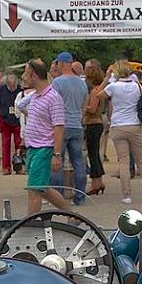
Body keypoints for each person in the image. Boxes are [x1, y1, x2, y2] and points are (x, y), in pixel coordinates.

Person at [17, 59, 71, 215]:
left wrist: (56, 154)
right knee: (43, 188)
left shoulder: (53, 97)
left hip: (44, 148)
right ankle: (72, 214)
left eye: (25, 74)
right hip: (33, 148)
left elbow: (59, 127)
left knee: (34, 190)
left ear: (34, 76)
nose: (23, 77)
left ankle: (29, 222)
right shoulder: (35, 96)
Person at [103, 60, 142, 204]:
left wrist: (107, 78)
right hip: (135, 124)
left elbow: (98, 96)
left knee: (123, 161)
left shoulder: (113, 87)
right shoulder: (137, 86)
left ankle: (127, 195)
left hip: (118, 124)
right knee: (141, 161)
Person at [49, 53, 89, 206]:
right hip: (76, 125)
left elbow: (51, 104)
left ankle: (58, 196)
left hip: (61, 125)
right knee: (78, 162)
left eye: (58, 63)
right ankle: (80, 197)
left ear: (62, 63)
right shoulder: (82, 83)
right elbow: (84, 106)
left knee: (57, 160)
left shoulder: (57, 82)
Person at [81, 62, 108, 198]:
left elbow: (92, 108)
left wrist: (83, 105)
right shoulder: (100, 89)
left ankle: (95, 182)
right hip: (97, 124)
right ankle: (99, 181)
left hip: (93, 123)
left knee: (93, 155)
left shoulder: (94, 91)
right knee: (95, 153)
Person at [0, 69, 22, 175]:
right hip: (5, 120)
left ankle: (19, 166)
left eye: (13, 85)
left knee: (19, 143)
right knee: (5, 144)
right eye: (10, 85)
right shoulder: (1, 90)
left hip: (17, 120)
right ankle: (6, 167)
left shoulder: (20, 90)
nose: (12, 87)